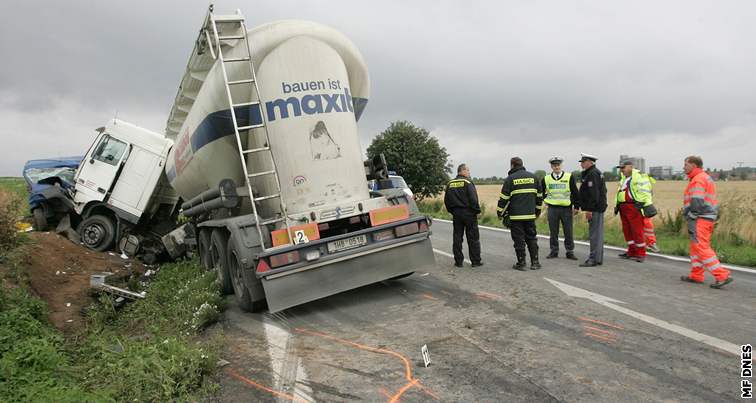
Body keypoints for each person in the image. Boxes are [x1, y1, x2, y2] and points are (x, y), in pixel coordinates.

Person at [680, 156, 733, 288]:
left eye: (686, 164)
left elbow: (697, 200)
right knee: (695, 247)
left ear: (694, 165)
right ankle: (696, 275)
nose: (684, 167)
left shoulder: (698, 180)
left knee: (701, 247)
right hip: (705, 218)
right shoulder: (703, 177)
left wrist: (692, 215)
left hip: (699, 218)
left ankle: (722, 275)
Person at [497, 157, 543, 271]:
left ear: (512, 165)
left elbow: (504, 199)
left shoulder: (510, 179)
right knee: (532, 238)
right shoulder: (534, 178)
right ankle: (535, 262)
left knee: (519, 240)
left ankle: (521, 263)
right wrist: (537, 212)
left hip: (515, 217)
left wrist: (500, 213)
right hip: (530, 216)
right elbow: (539, 198)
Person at [444, 163, 483, 268]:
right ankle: (475, 261)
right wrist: (477, 211)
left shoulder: (450, 183)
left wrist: (452, 211)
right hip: (469, 213)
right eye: (468, 170)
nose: (469, 173)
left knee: (457, 237)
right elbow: (473, 199)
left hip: (456, 214)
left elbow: (446, 200)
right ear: (462, 171)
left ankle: (458, 261)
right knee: (473, 237)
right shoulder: (467, 182)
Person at [613, 160, 653, 263]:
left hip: (633, 207)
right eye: (620, 168)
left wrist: (641, 204)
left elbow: (645, 191)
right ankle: (631, 251)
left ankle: (641, 254)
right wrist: (617, 205)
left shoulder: (639, 176)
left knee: (637, 231)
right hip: (623, 207)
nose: (621, 170)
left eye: (623, 168)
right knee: (627, 231)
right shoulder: (624, 178)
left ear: (630, 167)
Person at [541, 156, 578, 260]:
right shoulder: (546, 178)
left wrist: (577, 206)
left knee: (568, 231)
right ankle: (554, 251)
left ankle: (570, 251)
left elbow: (575, 192)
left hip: (566, 208)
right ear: (551, 166)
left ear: (561, 165)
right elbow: (541, 191)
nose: (556, 167)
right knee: (553, 231)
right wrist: (545, 200)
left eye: (558, 165)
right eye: (554, 165)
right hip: (552, 209)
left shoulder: (569, 177)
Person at [575, 153, 607, 267]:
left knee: (594, 234)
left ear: (589, 162)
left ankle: (593, 258)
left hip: (595, 209)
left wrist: (589, 210)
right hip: (597, 208)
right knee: (597, 234)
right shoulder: (594, 172)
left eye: (583, 162)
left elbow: (594, 194)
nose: (581, 164)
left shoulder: (593, 174)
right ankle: (597, 258)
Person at [642, 173, 661, 253]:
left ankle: (650, 243)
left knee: (647, 224)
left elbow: (650, 193)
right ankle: (645, 243)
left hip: (644, 205)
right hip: (641, 205)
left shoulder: (644, 181)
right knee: (644, 225)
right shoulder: (645, 180)